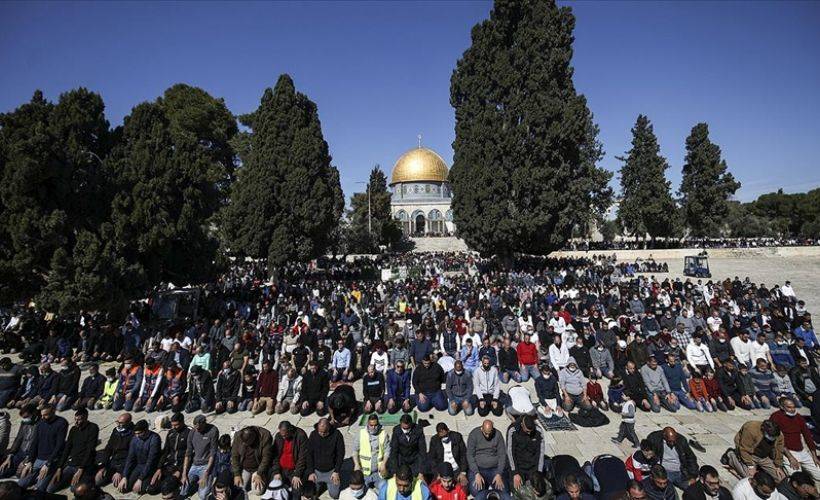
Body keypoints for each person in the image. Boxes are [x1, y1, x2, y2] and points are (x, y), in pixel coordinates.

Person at [47, 407, 100, 494]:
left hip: (84, 465)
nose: (76, 422)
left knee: (74, 489)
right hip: (72, 463)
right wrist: (60, 468)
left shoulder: (93, 428)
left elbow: (90, 450)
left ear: (86, 418)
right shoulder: (73, 430)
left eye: (79, 420)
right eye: (75, 419)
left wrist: (81, 468)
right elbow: (67, 449)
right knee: (50, 488)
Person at [18, 403, 69, 491]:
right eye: (42, 415)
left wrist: (48, 463)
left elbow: (59, 445)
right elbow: (35, 442)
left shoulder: (62, 423)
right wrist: (30, 461)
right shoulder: (40, 423)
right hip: (38, 459)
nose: (42, 417)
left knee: (39, 487)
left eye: (45, 415)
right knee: (21, 484)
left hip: (51, 460)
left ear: (53, 412)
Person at [769, 397, 820, 481]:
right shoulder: (775, 417)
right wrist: (790, 457)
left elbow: (807, 436)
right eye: (789, 407)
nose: (792, 409)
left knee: (818, 475)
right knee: (797, 477)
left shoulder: (799, 417)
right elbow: (778, 440)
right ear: (782, 407)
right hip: (787, 452)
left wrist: (814, 456)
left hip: (801, 451)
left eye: (793, 407)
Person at [119, 419, 162, 494]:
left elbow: (151, 461)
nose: (137, 436)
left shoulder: (155, 438)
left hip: (151, 467)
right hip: (139, 465)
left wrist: (140, 479)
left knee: (141, 490)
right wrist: (124, 476)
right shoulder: (135, 439)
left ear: (146, 430)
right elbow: (130, 458)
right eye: (136, 433)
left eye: (139, 433)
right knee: (126, 487)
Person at [466, 420, 507, 498]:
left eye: (490, 433)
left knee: (503, 490)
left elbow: (502, 455)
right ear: (482, 429)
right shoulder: (474, 434)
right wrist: (476, 473)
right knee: (475, 490)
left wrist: (499, 473)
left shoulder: (498, 435)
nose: (488, 436)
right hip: (478, 468)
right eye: (486, 433)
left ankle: (491, 492)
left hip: (494, 468)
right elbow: (470, 455)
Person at [183, 414, 220, 500]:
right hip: (195, 464)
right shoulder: (192, 432)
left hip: (207, 465)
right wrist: (184, 474)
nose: (197, 430)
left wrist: (206, 473)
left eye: (199, 428)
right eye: (195, 428)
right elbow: (188, 453)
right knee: (183, 490)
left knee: (203, 496)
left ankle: (209, 484)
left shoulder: (213, 431)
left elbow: (213, 453)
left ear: (204, 424)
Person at [307, 418, 344, 499]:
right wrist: (311, 472)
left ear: (329, 428)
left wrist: (336, 471)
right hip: (316, 471)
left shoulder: (337, 435)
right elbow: (309, 454)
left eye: (325, 432)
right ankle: (321, 485)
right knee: (311, 494)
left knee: (334, 495)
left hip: (331, 471)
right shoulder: (313, 434)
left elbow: (340, 454)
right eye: (320, 432)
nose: (322, 434)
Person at [152, 412, 189, 492]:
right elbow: (165, 451)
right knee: (152, 488)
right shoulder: (171, 433)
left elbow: (190, 455)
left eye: (176, 425)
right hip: (170, 464)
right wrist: (159, 468)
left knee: (169, 487)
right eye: (173, 425)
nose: (174, 427)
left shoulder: (189, 433)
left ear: (182, 422)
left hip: (181, 464)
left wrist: (180, 470)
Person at [231, 426, 273, 496]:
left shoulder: (265, 436)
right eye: (244, 442)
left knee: (258, 491)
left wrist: (259, 473)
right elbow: (234, 456)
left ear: (253, 437)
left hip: (258, 468)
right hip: (245, 468)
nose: (244, 444)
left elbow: (266, 458)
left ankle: (266, 475)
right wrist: (237, 474)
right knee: (238, 488)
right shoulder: (238, 436)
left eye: (247, 443)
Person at [507, 415, 545, 489]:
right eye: (527, 431)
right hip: (518, 466)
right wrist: (515, 473)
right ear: (522, 425)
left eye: (531, 431)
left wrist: (538, 472)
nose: (529, 434)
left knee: (538, 488)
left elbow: (540, 453)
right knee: (517, 489)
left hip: (532, 466)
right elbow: (510, 452)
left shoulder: (538, 431)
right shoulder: (513, 430)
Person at [271, 421, 310, 493]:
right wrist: (276, 471)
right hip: (281, 469)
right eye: (282, 435)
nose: (283, 437)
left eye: (285, 435)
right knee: (273, 488)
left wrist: (297, 474)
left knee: (297, 490)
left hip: (294, 470)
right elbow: (275, 455)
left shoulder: (301, 436)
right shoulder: (278, 436)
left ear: (290, 430)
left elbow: (303, 457)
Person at [0, 403, 37, 479]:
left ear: (33, 413)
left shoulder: (40, 425)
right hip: (20, 452)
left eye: (26, 417)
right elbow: (18, 439)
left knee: (21, 475)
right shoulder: (24, 423)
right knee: (2, 472)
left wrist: (27, 460)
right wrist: (10, 456)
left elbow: (39, 446)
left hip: (31, 455)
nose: (25, 419)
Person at [354, 414, 390, 491]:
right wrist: (356, 464)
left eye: (375, 425)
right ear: (368, 424)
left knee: (385, 490)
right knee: (360, 492)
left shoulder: (383, 434)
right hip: (364, 473)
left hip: (378, 473)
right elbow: (355, 451)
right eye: (371, 425)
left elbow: (387, 450)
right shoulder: (361, 434)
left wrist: (384, 464)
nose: (373, 427)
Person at [429, 423, 468, 487]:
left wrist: (463, 472)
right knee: (433, 488)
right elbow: (432, 459)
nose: (444, 438)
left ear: (448, 431)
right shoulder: (434, 440)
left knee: (464, 488)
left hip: (456, 469)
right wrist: (437, 473)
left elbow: (463, 455)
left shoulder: (457, 436)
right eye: (442, 436)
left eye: (446, 435)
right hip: (442, 471)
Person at [388, 414, 426, 478]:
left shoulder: (418, 430)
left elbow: (422, 450)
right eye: (404, 428)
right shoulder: (396, 430)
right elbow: (394, 451)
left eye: (407, 428)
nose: (406, 430)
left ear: (411, 424)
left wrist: (421, 472)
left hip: (414, 458)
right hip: (402, 459)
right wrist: (394, 471)